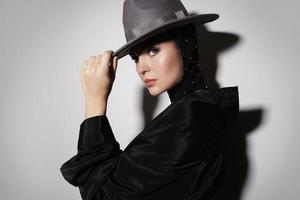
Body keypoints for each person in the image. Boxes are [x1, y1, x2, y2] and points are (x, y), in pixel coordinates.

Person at [60, 0, 239, 199]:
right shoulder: (199, 110)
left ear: (186, 44)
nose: (141, 68)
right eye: (136, 57)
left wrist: (95, 101)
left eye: (153, 50)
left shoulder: (188, 121)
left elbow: (100, 196)